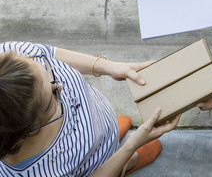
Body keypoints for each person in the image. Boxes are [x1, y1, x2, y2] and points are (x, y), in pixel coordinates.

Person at [0, 41, 180, 176]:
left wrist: (109, 67)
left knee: (105, 135)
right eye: (52, 98)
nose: (60, 86)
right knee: (119, 164)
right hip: (95, 166)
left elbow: (49, 53)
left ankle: (110, 137)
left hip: (99, 123)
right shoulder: (40, 172)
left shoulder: (7, 60)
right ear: (25, 130)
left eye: (46, 69)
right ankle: (127, 163)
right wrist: (132, 145)